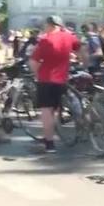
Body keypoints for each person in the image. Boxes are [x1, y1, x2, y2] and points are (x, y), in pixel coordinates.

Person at [30, 16, 85, 154]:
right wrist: (84, 62)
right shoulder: (69, 37)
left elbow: (33, 62)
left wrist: (37, 75)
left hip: (45, 79)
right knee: (54, 110)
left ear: (49, 25)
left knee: (46, 111)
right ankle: (50, 136)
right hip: (61, 80)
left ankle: (49, 143)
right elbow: (80, 49)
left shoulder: (45, 39)